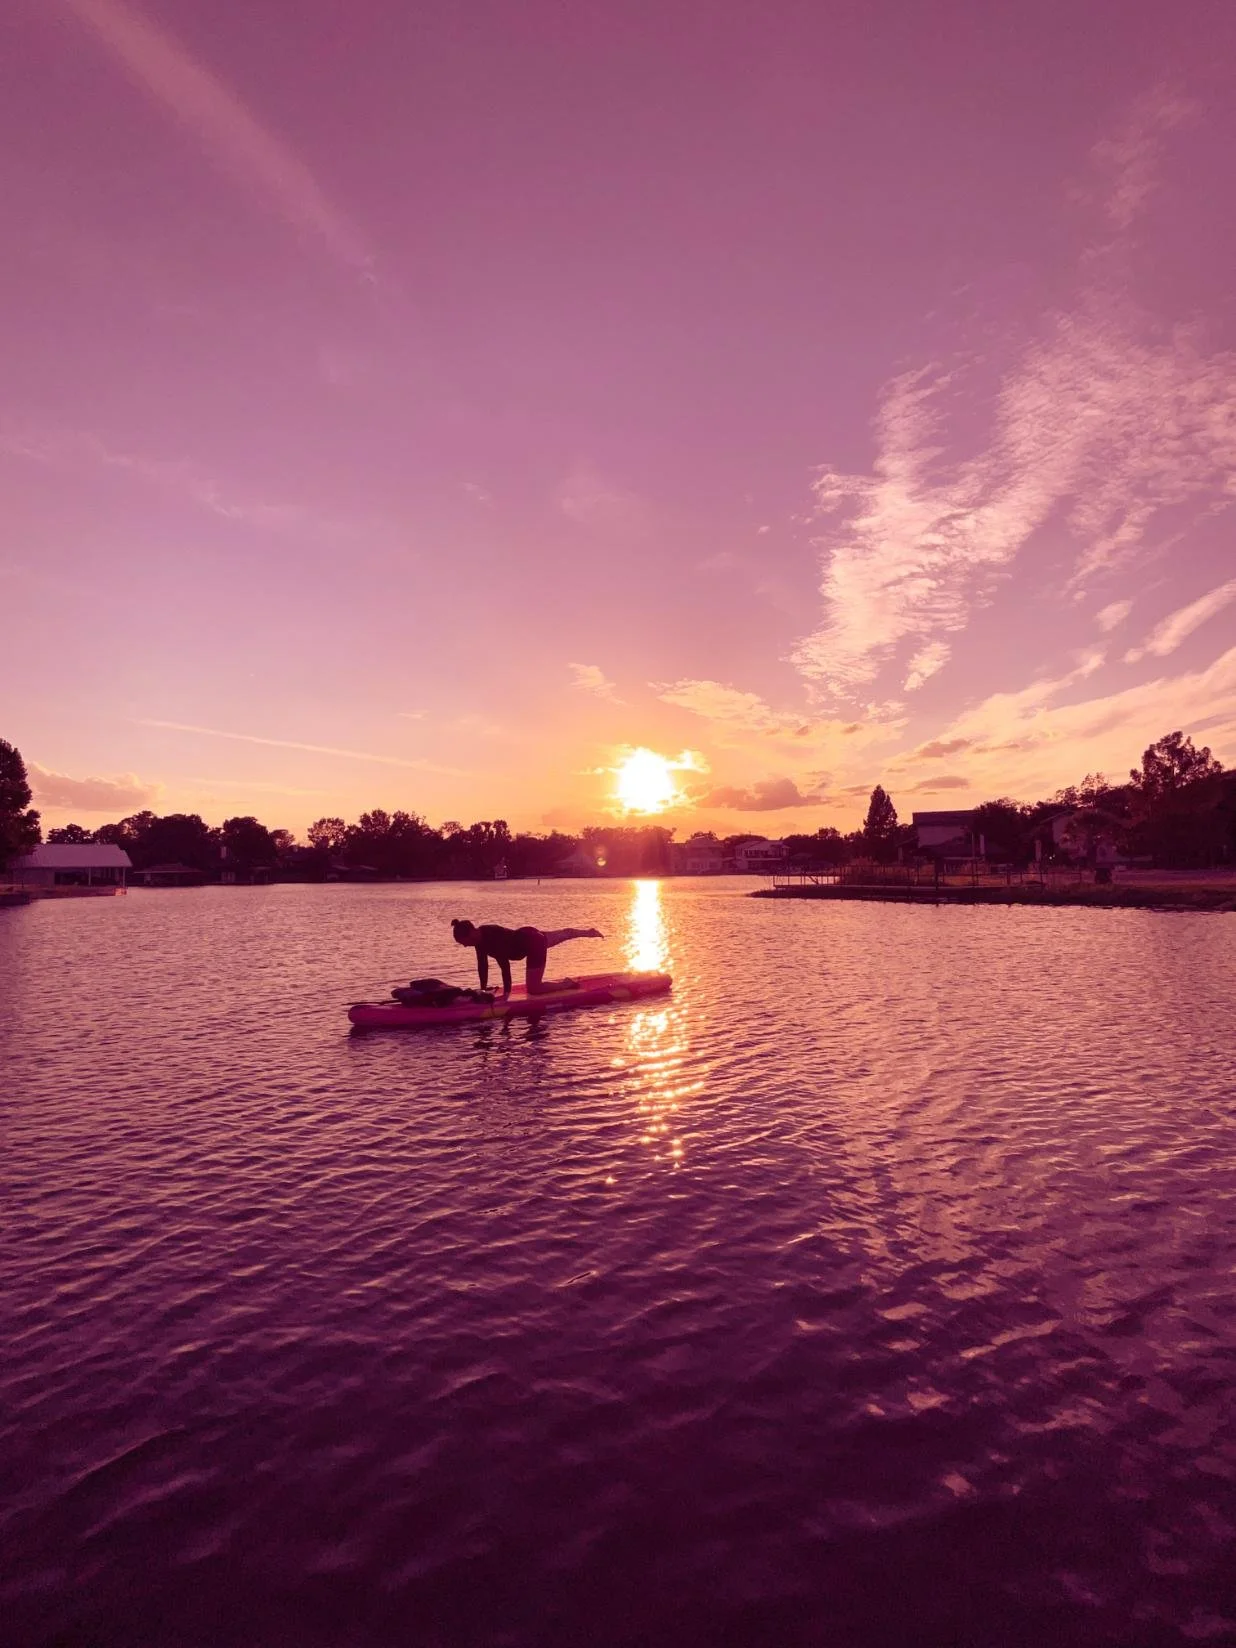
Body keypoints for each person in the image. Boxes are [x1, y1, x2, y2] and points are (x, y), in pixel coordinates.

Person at [451, 919, 603, 997]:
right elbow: (482, 966)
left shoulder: (491, 935)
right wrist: (483, 990)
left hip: (533, 943)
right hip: (529, 934)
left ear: (470, 933)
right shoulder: (479, 941)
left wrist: (507, 995)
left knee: (534, 989)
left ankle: (566, 984)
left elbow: (504, 966)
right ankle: (588, 932)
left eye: (463, 942)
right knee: (563, 934)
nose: (464, 946)